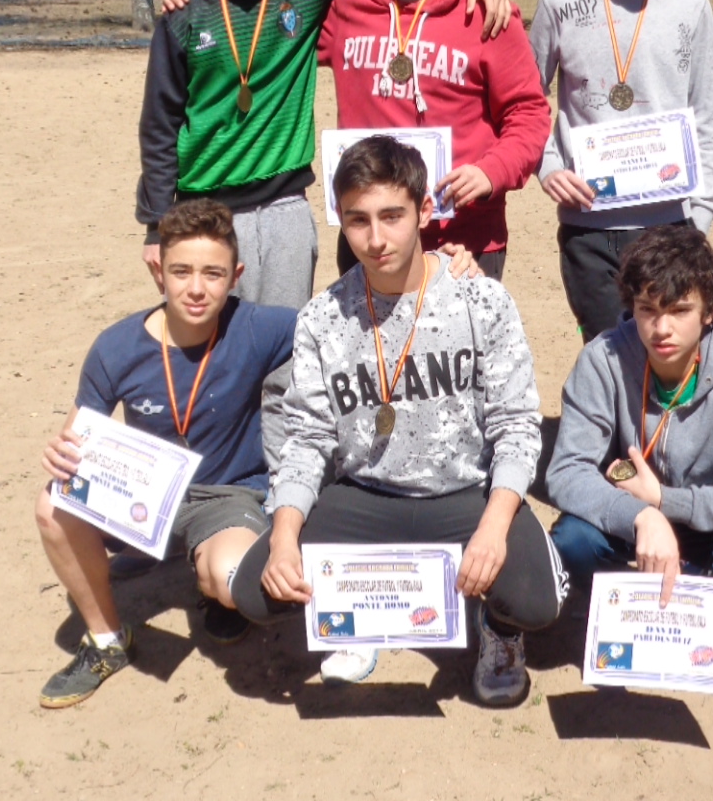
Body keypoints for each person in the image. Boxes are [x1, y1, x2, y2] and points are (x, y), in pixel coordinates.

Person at [229, 136, 563, 706]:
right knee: (255, 592)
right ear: (339, 219)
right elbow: (306, 439)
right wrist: (285, 536)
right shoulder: (321, 318)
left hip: (462, 492)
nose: (376, 239)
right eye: (358, 220)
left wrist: (494, 525)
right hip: (365, 494)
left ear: (424, 212)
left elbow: (516, 426)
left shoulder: (480, 300)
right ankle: (360, 613)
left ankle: (497, 631)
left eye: (392, 216)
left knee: (536, 601)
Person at [138, 0, 511, 307]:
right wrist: (157, 223)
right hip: (201, 207)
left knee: (281, 355)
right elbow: (159, 124)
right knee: (207, 346)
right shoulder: (184, 9)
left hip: (285, 208)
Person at [33, 200, 296, 709]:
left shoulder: (260, 327)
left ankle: (212, 583)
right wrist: (63, 455)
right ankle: (108, 640)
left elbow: (349, 316)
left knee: (234, 580)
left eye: (213, 273)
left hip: (226, 495)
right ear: (159, 271)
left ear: (235, 275)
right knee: (52, 504)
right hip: (143, 493)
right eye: (181, 271)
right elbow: (77, 437)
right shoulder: (117, 346)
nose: (197, 288)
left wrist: (447, 265)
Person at [543, 225, 713, 627]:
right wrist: (643, 515)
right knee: (571, 542)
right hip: (631, 516)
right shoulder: (602, 359)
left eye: (680, 310)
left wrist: (666, 501)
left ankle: (706, 604)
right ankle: (628, 609)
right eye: (647, 309)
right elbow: (566, 472)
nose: (661, 329)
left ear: (709, 311)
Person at [318, 0, 551, 282]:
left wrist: (490, 171)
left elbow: (529, 114)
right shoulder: (347, 5)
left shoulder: (486, 10)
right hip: (371, 240)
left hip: (464, 241)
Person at [532, 0, 713, 341]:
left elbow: (705, 112)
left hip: (669, 225)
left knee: (668, 355)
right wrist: (549, 166)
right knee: (607, 356)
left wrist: (699, 214)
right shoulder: (559, 4)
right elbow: (527, 104)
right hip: (589, 230)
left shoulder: (691, 6)